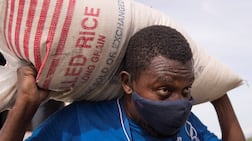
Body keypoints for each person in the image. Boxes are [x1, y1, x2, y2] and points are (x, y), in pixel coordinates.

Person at [0, 25, 245, 141]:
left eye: (186, 90)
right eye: (164, 90)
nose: (179, 103)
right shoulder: (79, 123)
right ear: (128, 83)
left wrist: (219, 94)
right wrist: (24, 106)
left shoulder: (189, 125)